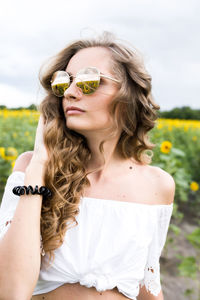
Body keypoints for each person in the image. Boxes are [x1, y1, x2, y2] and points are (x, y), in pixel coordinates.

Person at [0, 31, 175, 300]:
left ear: (128, 93)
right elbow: (11, 292)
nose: (69, 92)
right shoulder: (33, 169)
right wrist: (39, 164)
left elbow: (148, 286)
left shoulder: (158, 185)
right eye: (63, 82)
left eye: (89, 81)